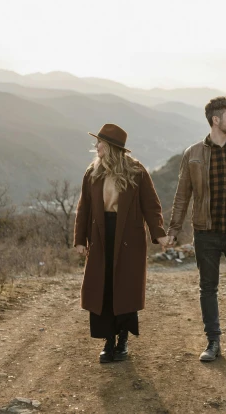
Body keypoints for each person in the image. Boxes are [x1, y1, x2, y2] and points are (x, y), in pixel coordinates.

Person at [167, 96, 226, 363]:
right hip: (206, 233)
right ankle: (213, 342)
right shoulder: (193, 154)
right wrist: (173, 229)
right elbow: (182, 195)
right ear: (216, 120)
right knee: (208, 288)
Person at [73, 123, 171, 363]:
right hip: (99, 235)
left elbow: (151, 205)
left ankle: (123, 339)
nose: (96, 147)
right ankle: (108, 341)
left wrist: (159, 233)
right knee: (103, 287)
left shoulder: (137, 171)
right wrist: (79, 239)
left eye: (100, 143)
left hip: (128, 236)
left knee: (124, 287)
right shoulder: (92, 173)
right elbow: (83, 208)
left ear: (111, 147)